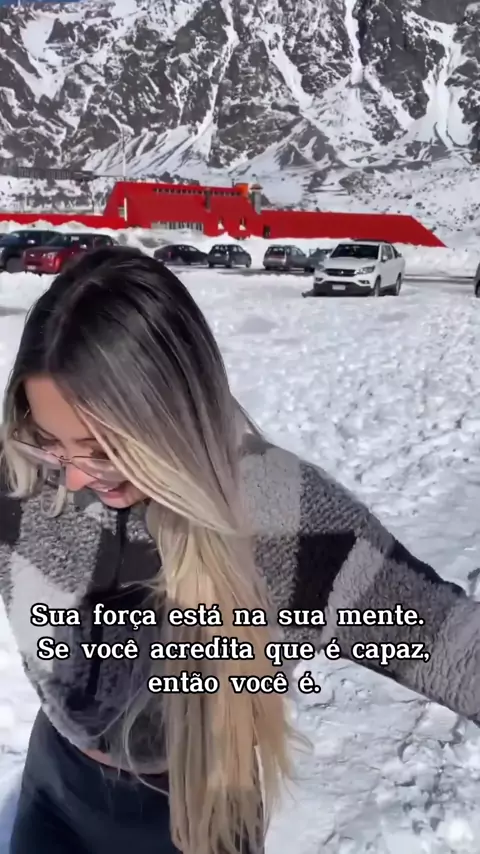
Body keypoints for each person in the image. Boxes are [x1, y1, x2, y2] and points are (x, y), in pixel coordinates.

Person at [0, 245, 479, 854]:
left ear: (174, 416)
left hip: (198, 817)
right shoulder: (22, 472)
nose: (71, 477)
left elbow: (450, 643)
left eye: (103, 450)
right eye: (51, 441)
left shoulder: (281, 516)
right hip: (55, 791)